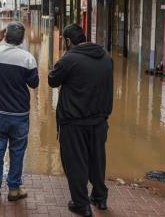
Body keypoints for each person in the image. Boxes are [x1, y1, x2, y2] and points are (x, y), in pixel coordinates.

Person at [48, 24, 113, 217]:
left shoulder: (69, 59)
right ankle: (100, 198)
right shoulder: (106, 57)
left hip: (74, 122)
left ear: (68, 41)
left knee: (75, 163)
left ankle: (81, 204)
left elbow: (52, 81)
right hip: (100, 121)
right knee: (97, 160)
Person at [0, 22, 39, 202]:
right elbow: (34, 84)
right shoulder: (27, 58)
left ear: (4, 36)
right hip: (19, 114)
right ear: (22, 39)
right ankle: (14, 189)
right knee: (17, 151)